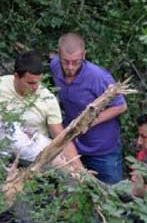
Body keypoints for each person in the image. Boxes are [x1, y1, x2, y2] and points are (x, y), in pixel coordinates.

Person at [0, 51, 83, 169]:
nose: (35, 87)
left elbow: (61, 138)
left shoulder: (47, 99)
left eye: (38, 82)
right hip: (3, 151)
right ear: (16, 77)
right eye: (30, 83)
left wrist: (79, 169)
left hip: (36, 155)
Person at [50, 33, 127, 184]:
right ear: (58, 54)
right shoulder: (55, 66)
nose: (70, 67)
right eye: (66, 62)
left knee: (111, 193)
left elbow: (121, 106)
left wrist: (89, 122)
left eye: (76, 62)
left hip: (103, 149)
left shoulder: (98, 77)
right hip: (73, 144)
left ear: (84, 55)